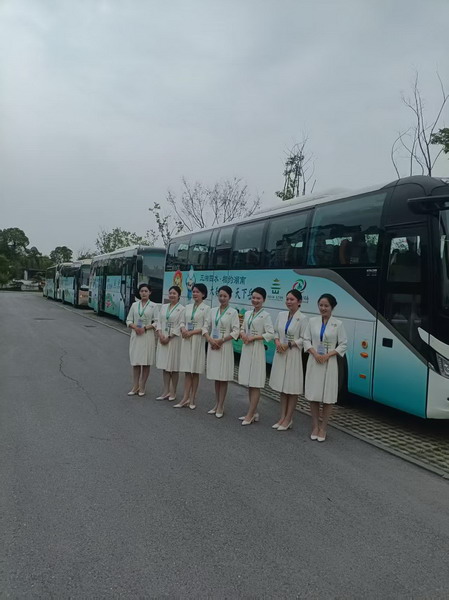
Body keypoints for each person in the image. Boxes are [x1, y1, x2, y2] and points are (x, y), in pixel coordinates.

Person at [303, 293, 347, 442]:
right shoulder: (312, 321)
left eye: (326, 306)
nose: (323, 308)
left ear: (332, 307)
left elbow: (343, 344)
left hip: (329, 363)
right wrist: (315, 353)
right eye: (321, 305)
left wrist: (328, 355)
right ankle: (315, 426)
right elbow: (306, 339)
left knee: (328, 397)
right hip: (314, 360)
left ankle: (323, 428)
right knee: (313, 394)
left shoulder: (338, 324)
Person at [269, 289, 308, 431]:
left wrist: (289, 344)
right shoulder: (281, 315)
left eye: (292, 299)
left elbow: (304, 339)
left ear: (299, 302)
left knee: (291, 388)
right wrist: (277, 341)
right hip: (280, 353)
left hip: (293, 354)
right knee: (282, 386)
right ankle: (282, 417)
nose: (289, 302)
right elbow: (275, 332)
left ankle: (289, 418)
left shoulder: (303, 318)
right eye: (287, 299)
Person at [238, 287, 274, 425]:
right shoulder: (248, 313)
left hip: (257, 349)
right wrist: (243, 334)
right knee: (249, 382)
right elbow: (242, 328)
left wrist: (254, 338)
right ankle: (253, 412)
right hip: (247, 348)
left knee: (255, 383)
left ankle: (251, 414)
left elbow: (270, 334)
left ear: (263, 300)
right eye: (253, 297)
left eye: (258, 298)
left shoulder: (266, 316)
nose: (255, 300)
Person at [204, 285, 240, 418]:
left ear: (230, 297)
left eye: (225, 296)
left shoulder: (233, 312)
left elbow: (236, 331)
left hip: (224, 346)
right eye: (220, 295)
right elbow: (205, 327)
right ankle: (216, 404)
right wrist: (210, 340)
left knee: (223, 377)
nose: (222, 298)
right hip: (213, 345)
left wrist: (221, 340)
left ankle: (221, 405)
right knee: (216, 377)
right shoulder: (212, 311)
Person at [175, 283, 210, 409]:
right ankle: (185, 397)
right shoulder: (188, 307)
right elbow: (181, 321)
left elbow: (206, 326)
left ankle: (192, 399)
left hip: (197, 341)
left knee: (194, 371)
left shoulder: (206, 309)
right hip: (186, 340)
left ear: (203, 294)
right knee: (187, 370)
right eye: (194, 291)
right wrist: (183, 329)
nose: (195, 294)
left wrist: (191, 332)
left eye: (198, 292)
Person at [126, 283, 159, 397]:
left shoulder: (154, 306)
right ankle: (135, 386)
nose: (144, 293)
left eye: (146, 291)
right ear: (139, 293)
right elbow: (128, 320)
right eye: (142, 291)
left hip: (147, 335)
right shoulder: (134, 305)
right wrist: (135, 327)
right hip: (136, 335)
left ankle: (142, 386)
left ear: (150, 292)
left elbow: (157, 322)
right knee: (136, 362)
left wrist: (145, 328)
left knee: (145, 363)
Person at [155, 285, 185, 401]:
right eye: (170, 293)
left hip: (174, 340)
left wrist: (169, 336)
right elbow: (159, 321)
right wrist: (160, 334)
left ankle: (173, 392)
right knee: (165, 366)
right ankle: (166, 391)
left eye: (174, 293)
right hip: (163, 339)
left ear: (179, 296)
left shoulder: (182, 309)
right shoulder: (164, 307)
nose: (172, 295)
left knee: (173, 367)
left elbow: (180, 325)